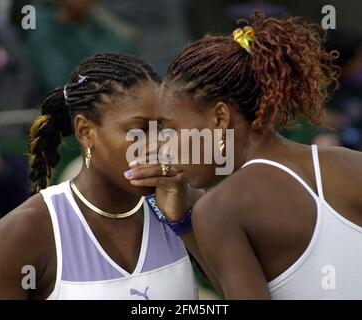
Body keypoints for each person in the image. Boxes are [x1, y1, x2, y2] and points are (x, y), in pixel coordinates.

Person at [126, 12, 362, 299]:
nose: (163, 145)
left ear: (220, 117)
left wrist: (190, 218)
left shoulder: (219, 208)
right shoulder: (350, 162)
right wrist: (183, 219)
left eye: (169, 127)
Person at [0, 52, 199, 300]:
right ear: (86, 132)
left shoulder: (185, 203)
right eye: (139, 131)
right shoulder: (24, 232)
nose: (157, 144)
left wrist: (184, 223)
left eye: (163, 128)